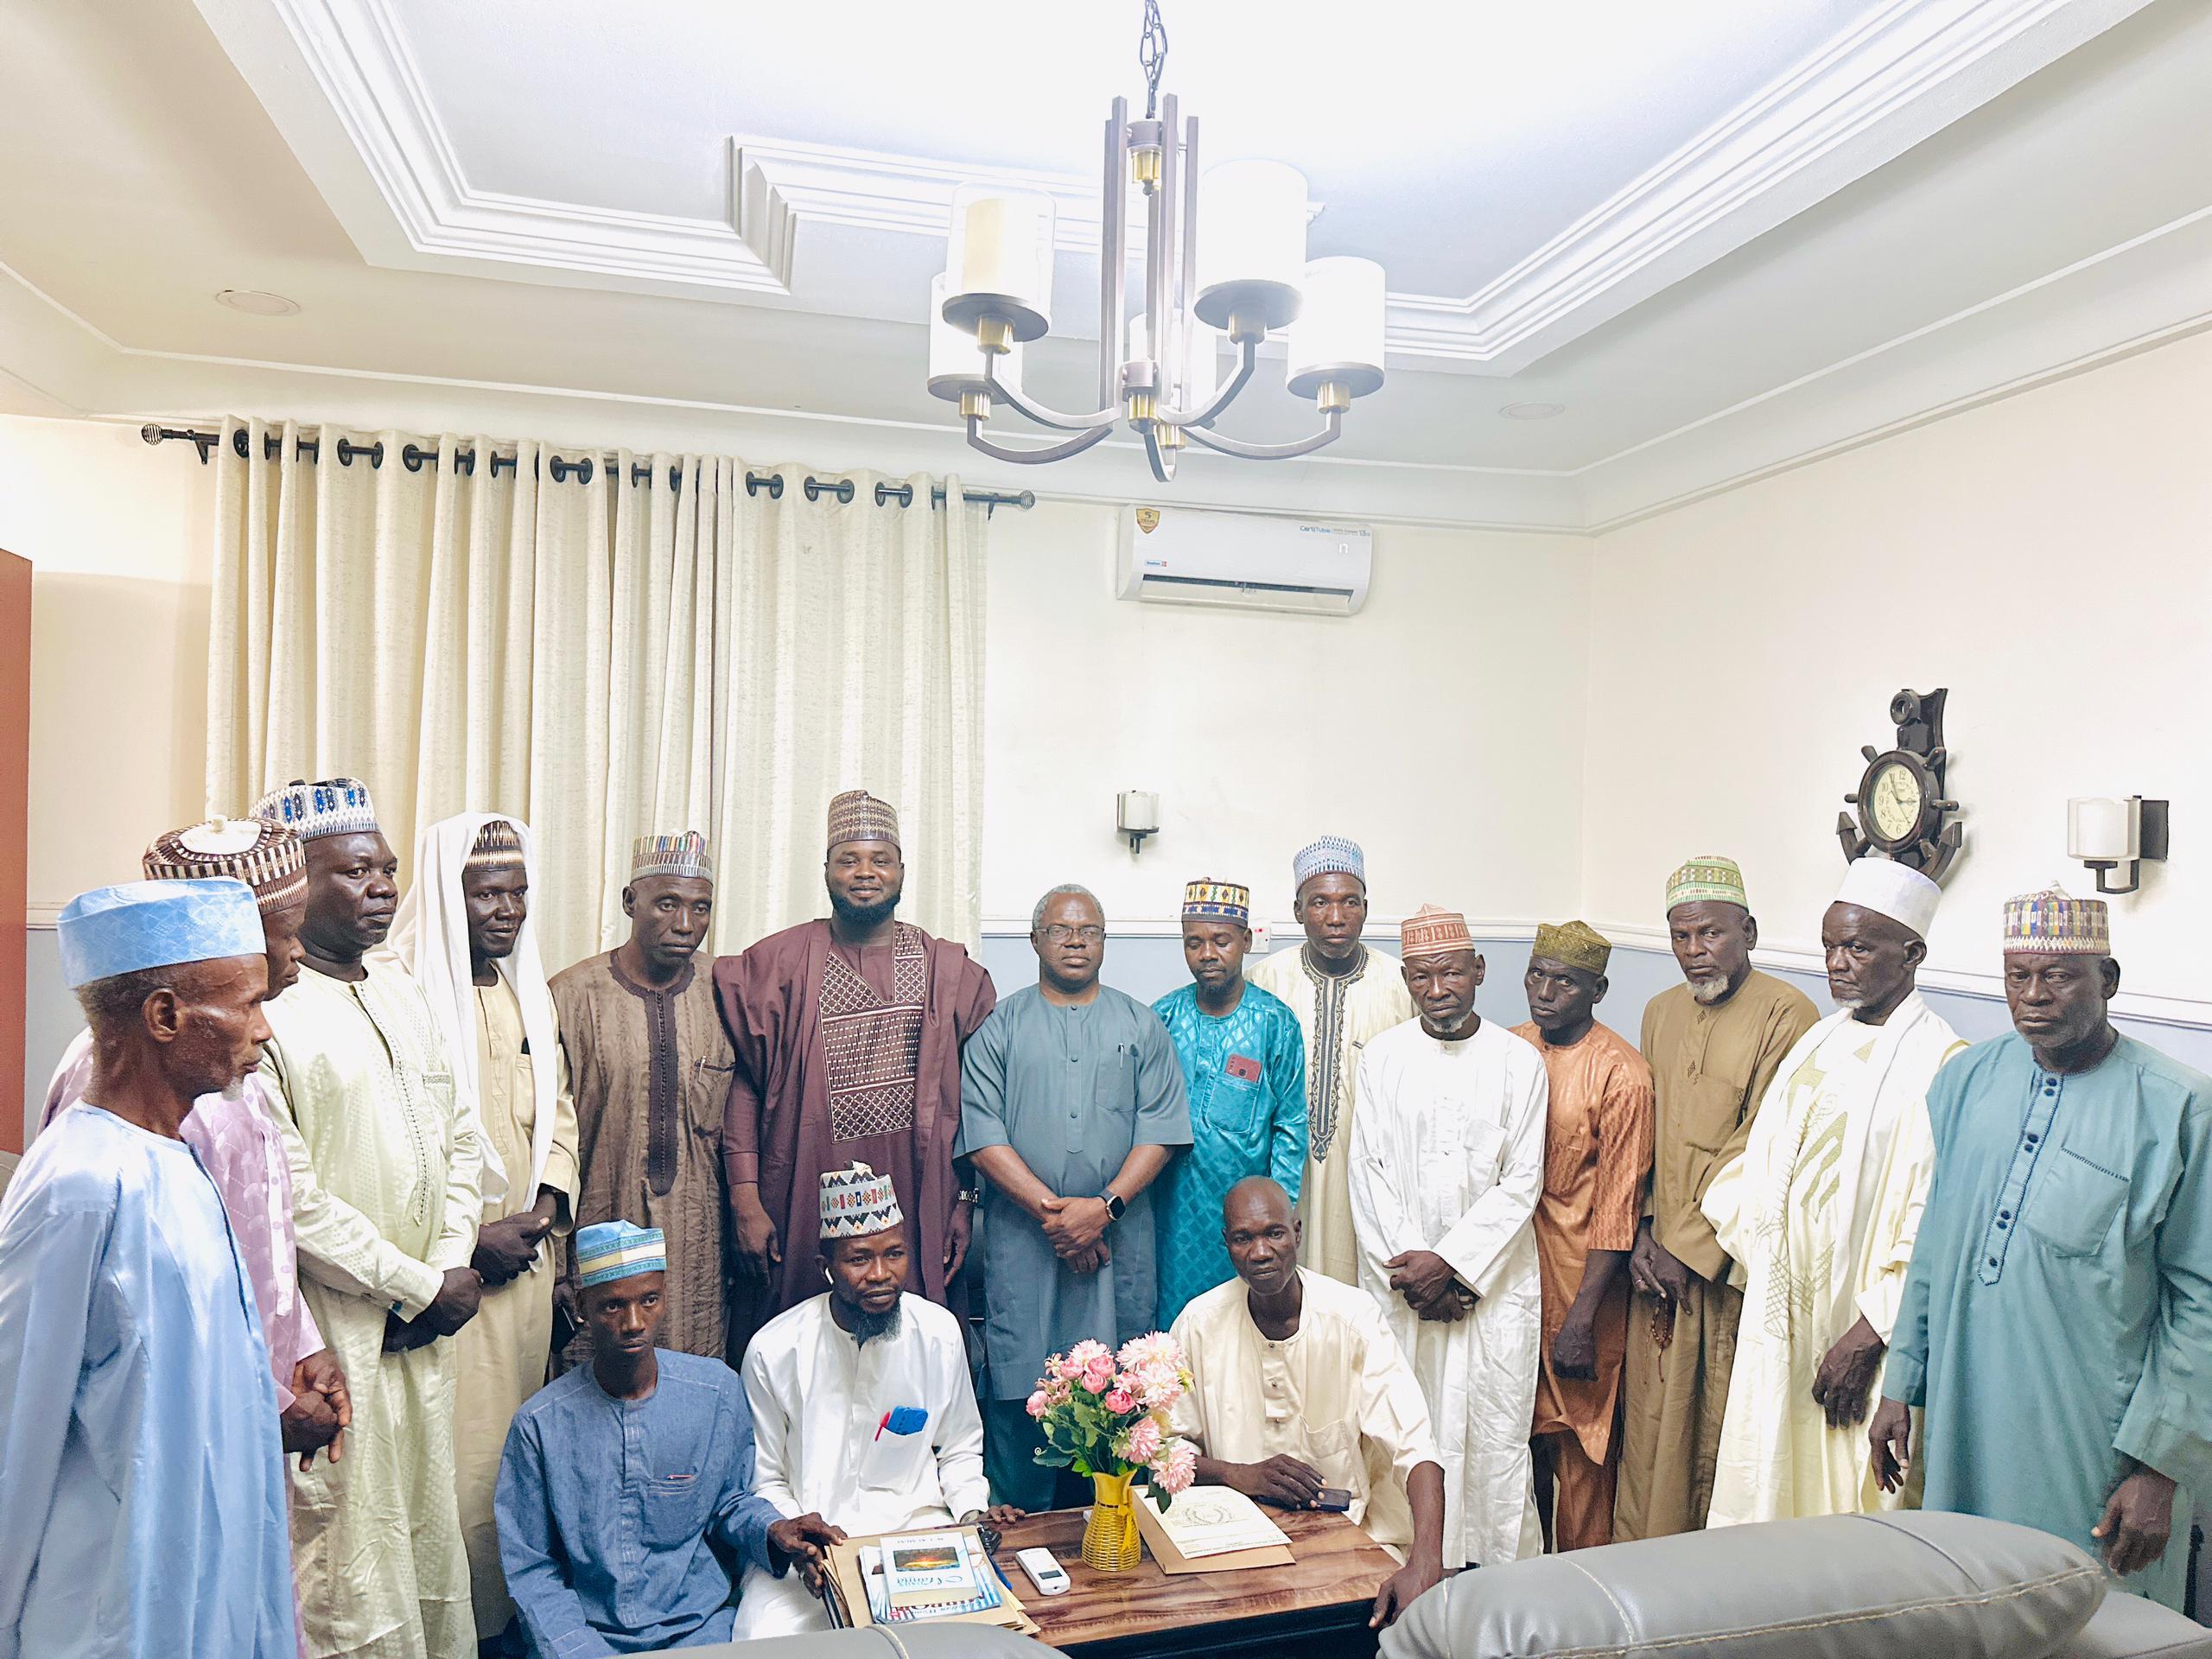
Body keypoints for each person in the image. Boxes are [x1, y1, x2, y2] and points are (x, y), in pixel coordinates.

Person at [1872, 887, 2212, 1611]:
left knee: (2093, 1620)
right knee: (1968, 1603)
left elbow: (2202, 1302)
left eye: (2058, 976)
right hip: (1963, 1416)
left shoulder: (2181, 1107)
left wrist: (2159, 1469)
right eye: (2017, 976)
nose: (2033, 996)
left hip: (2094, 1443)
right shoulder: (1966, 1080)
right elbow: (1938, 1238)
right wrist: (1903, 1380)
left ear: (2107, 980)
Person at [0, 879, 295, 1658]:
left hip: (204, 1581)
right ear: (165, 1016)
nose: (264, 1030)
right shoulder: (78, 1186)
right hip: (111, 1606)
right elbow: (15, 1425)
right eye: (248, 1004)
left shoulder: (178, 1159)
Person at [41, 819, 350, 1481]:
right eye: (283, 933)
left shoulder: (228, 1056)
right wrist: (262, 1407)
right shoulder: (120, 1092)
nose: (298, 951)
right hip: (179, 1440)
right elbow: (119, 1332)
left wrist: (299, 1348)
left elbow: (257, 1238)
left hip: (249, 1405)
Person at [252, 778, 484, 1659]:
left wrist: (448, 1270)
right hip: (339, 1330)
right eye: (355, 872)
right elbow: (292, 1197)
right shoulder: (267, 1011)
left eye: (386, 869)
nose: (382, 887)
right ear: (298, 884)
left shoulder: (400, 988)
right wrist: (413, 1285)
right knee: (347, 1557)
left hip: (425, 1326)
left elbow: (461, 1137)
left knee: (424, 1532)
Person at [1701, 860, 1963, 1527]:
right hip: (1781, 1318)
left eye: (1857, 948)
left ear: (1912, 954)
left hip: (1863, 1331)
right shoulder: (1820, 1038)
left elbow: (1933, 1221)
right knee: (1769, 1487)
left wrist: (1871, 1332)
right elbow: (1763, 1163)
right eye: (1829, 947)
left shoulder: (1942, 1062)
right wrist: (1772, 1265)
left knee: (1849, 1504)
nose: (1836, 964)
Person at [715, 790, 997, 1349]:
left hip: (920, 1193)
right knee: (797, 1341)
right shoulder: (778, 964)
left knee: (918, 1342)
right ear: (826, 871)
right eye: (849, 860)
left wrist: (965, 1203)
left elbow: (978, 1103)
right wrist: (745, 1199)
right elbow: (744, 1088)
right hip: (799, 1190)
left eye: (880, 860)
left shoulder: (947, 969)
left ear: (902, 871)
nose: (865, 873)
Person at [392, 813, 581, 1649]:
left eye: (518, 892)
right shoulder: (402, 992)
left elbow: (558, 1113)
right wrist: (473, 1242)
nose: (507, 911)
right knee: (454, 1466)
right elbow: (395, 1144)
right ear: (446, 894)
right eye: (486, 894)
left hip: (525, 1268)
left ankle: (505, 1627)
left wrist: (541, 1213)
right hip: (446, 1279)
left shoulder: (521, 990)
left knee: (512, 1458)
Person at [956, 882, 1193, 1510]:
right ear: (1035, 940)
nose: (1076, 942)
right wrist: (1060, 1220)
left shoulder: (1141, 1025)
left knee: (1117, 1405)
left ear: (1104, 942)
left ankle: (1112, 1551)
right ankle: (1019, 1548)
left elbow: (1161, 1133)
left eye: (1089, 931)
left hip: (1119, 1247)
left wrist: (1103, 1210)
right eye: (1061, 930)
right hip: (1025, 1250)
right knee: (1022, 1397)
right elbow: (982, 1136)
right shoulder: (999, 1028)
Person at [496, 1224, 842, 1655]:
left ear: (664, 1298)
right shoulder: (539, 1425)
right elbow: (532, 1568)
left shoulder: (714, 1392)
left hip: (700, 1631)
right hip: (586, 1638)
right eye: (613, 1306)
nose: (633, 1323)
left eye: (649, 1300)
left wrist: (774, 1529)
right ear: (583, 1307)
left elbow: (728, 1503)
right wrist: (579, 1650)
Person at [734, 1163, 1027, 1638]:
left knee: (982, 1636)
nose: (880, 1275)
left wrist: (972, 1512)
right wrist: (802, 1542)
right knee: (766, 1638)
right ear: (826, 1267)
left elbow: (958, 1448)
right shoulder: (775, 1349)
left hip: (917, 1536)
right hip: (812, 1550)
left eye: (894, 1255)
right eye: (859, 1259)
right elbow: (764, 1478)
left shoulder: (938, 1333)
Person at [1616, 856, 1817, 1542]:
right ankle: (1635, 1570)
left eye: (1711, 934)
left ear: (1748, 932)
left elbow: (1762, 1141)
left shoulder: (1788, 1013)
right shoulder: (1659, 1012)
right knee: (1647, 1427)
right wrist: (1644, 1230)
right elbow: (1644, 1130)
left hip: (1725, 1264)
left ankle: (1699, 1580)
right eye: (1681, 936)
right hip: (1654, 1261)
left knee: (1708, 1429)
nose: (1695, 951)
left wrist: (1687, 1247)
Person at [1350, 904, 1548, 1569]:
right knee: (1403, 1427)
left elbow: (1522, 1181)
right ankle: (1405, 1565)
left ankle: (1491, 1582)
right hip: (1406, 1287)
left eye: (1452, 973)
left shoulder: (1519, 1063)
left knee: (1492, 1437)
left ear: (1479, 970)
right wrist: (1419, 1273)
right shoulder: (1382, 1058)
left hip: (1488, 1291)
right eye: (1422, 977)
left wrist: (1455, 1266)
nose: (1438, 990)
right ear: (1407, 980)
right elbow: (1368, 1171)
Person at [1170, 1178, 1445, 1629]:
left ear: (1297, 1232)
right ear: (1226, 1244)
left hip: (1349, 1539)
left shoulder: (1352, 1317)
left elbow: (1415, 1448)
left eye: (1274, 1233)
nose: (1260, 1252)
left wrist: (1426, 1562)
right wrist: (1241, 1475)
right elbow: (1164, 1454)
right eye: (1243, 1238)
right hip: (1233, 1548)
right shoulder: (1198, 1324)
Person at [550, 832, 735, 1367]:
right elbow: (545, 1140)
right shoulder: (570, 995)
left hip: (699, 1246)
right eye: (667, 904)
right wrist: (558, 1265)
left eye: (701, 908)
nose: (686, 924)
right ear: (631, 901)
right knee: (595, 1381)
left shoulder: (728, 991)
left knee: (693, 1378)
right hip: (597, 1228)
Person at [1510, 920, 1653, 1552]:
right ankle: (1518, 1576)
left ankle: (1578, 1587)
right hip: (1513, 1279)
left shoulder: (1623, 1073)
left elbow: (1619, 1207)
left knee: (1580, 1448)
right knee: (1517, 1440)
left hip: (1580, 1287)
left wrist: (1583, 1319)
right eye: (1537, 975)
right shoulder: (1510, 1048)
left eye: (1565, 982)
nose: (1545, 992)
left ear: (1598, 990)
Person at [1249, 836, 1415, 1287]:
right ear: (1298, 910)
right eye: (1320, 902)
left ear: (1366, 908)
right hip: (1283, 1170)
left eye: (1349, 902)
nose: (1336, 917)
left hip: (1376, 1175)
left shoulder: (1402, 985)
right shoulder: (1264, 982)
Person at [1151, 878, 1306, 1329]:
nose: (1207, 954)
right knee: (1175, 1329)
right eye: (1194, 943)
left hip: (1248, 1219)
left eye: (1221, 941)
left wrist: (1276, 1218)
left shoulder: (1275, 1022)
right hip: (1171, 1212)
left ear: (1246, 941)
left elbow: (1291, 1126)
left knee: (1246, 1328)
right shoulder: (1162, 1018)